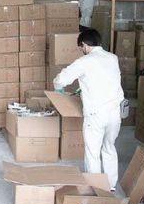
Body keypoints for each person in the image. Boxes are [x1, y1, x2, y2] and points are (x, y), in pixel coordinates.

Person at [52, 29, 124, 190]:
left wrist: (58, 88)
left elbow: (61, 79)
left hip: (96, 114)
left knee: (92, 152)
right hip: (115, 113)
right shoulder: (113, 58)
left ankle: (96, 187)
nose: (81, 51)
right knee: (109, 147)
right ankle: (110, 185)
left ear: (84, 45)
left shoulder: (85, 61)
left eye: (81, 48)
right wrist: (83, 89)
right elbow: (106, 80)